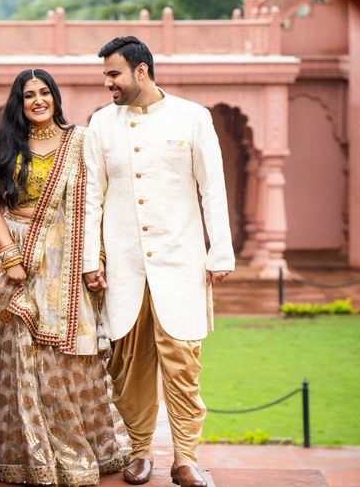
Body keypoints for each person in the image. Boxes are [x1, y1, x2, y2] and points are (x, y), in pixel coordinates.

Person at [82, 37, 234, 487]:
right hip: (124, 265)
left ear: (141, 71)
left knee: (183, 363)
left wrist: (219, 251)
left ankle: (185, 458)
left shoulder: (193, 118)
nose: (107, 83)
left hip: (180, 261)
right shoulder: (101, 124)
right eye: (105, 75)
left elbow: (213, 189)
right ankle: (139, 450)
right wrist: (92, 258)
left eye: (114, 74)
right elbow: (93, 198)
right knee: (127, 365)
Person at [0, 68, 131, 486]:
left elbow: (94, 202)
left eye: (45, 92)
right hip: (17, 251)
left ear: (55, 97)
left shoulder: (80, 142)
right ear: (19, 102)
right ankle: (27, 454)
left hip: (67, 258)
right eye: (29, 95)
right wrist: (9, 254)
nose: (38, 100)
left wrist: (94, 259)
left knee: (64, 355)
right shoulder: (5, 145)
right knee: (16, 349)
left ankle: (72, 447)